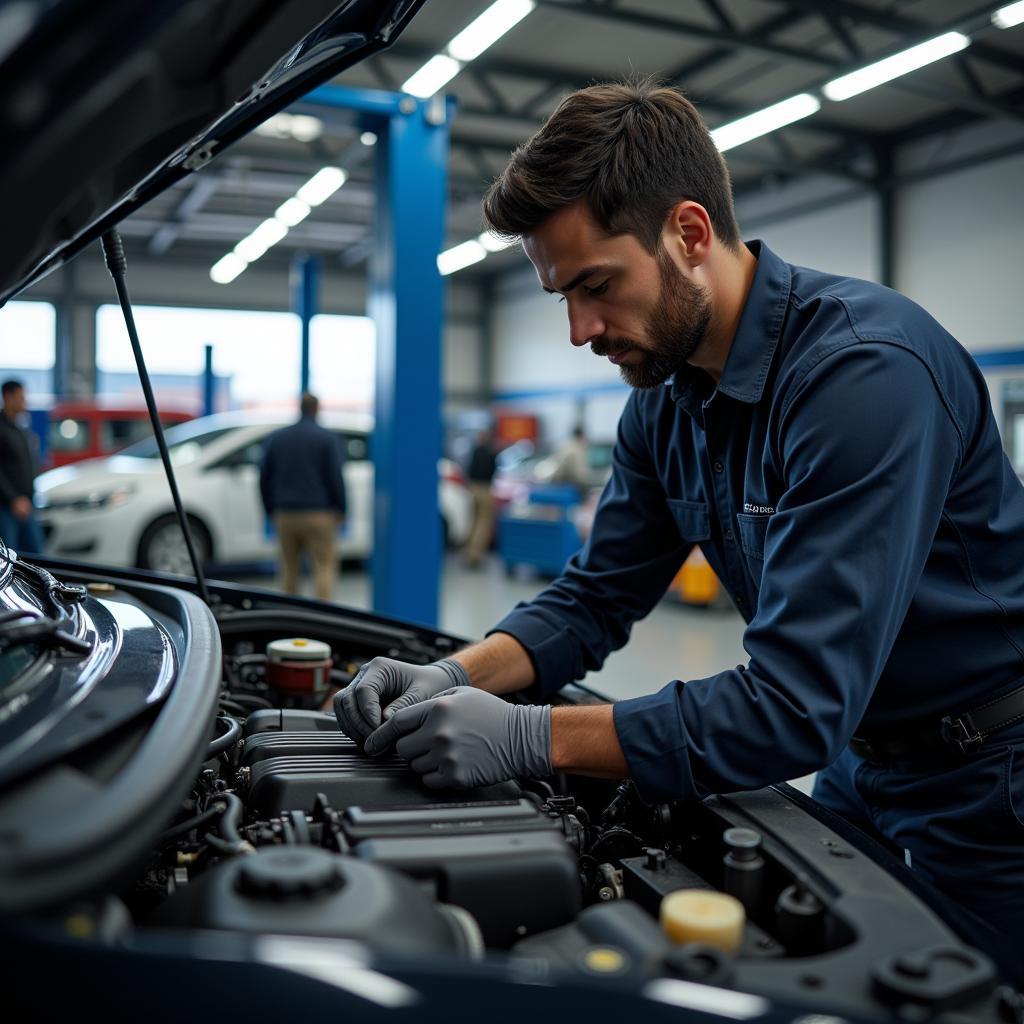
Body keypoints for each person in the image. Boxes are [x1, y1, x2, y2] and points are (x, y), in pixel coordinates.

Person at [336, 81, 1024, 958]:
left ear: (689, 235)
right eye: (563, 298)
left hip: (991, 778)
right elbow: (594, 598)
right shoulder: (665, 402)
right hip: (860, 755)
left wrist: (529, 736)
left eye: (597, 285)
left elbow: (787, 706)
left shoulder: (862, 377)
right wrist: (455, 675)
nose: (582, 329)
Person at [259, 392, 346, 601]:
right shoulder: (327, 439)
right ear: (317, 409)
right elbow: (335, 477)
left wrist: (269, 509)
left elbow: (264, 477)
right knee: (324, 566)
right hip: (319, 514)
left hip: (285, 514)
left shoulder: (277, 438)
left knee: (288, 568)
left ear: (299, 408)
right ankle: (321, 616)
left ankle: (291, 616)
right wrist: (341, 508)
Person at [0, 379, 45, 554]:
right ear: (8, 397)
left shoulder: (20, 426)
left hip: (27, 502)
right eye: (21, 397)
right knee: (9, 557)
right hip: (8, 506)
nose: (24, 401)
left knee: (36, 555)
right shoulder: (2, 428)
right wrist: (13, 499)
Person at [463, 428, 499, 567]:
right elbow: (493, 472)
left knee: (472, 521)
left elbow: (469, 469)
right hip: (484, 488)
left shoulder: (475, 451)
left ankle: (467, 552)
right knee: (483, 523)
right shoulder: (491, 453)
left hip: (472, 487)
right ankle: (475, 555)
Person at [547, 425, 589, 489]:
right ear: (581, 436)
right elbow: (579, 474)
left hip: (555, 481)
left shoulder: (565, 445)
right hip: (567, 483)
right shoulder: (576, 449)